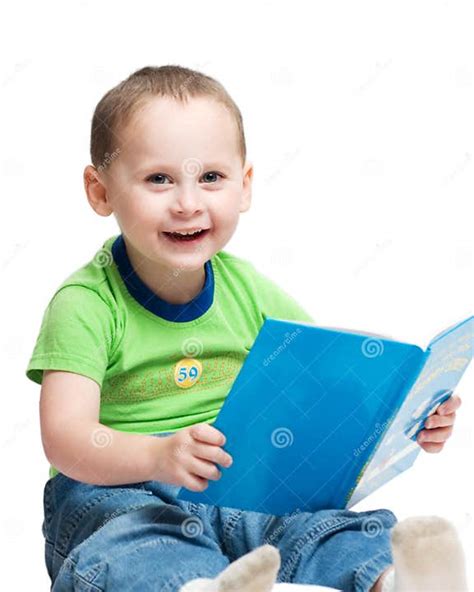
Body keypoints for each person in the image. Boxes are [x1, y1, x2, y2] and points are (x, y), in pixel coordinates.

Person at [26, 65, 465, 592]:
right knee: (136, 549)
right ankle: (196, 587)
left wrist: (404, 420)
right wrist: (157, 456)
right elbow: (67, 440)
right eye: (158, 179)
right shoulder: (86, 304)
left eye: (210, 177)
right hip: (120, 492)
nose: (188, 202)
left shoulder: (250, 290)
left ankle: (395, 580)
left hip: (240, 482)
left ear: (245, 185)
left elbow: (324, 389)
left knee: (318, 524)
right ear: (100, 192)